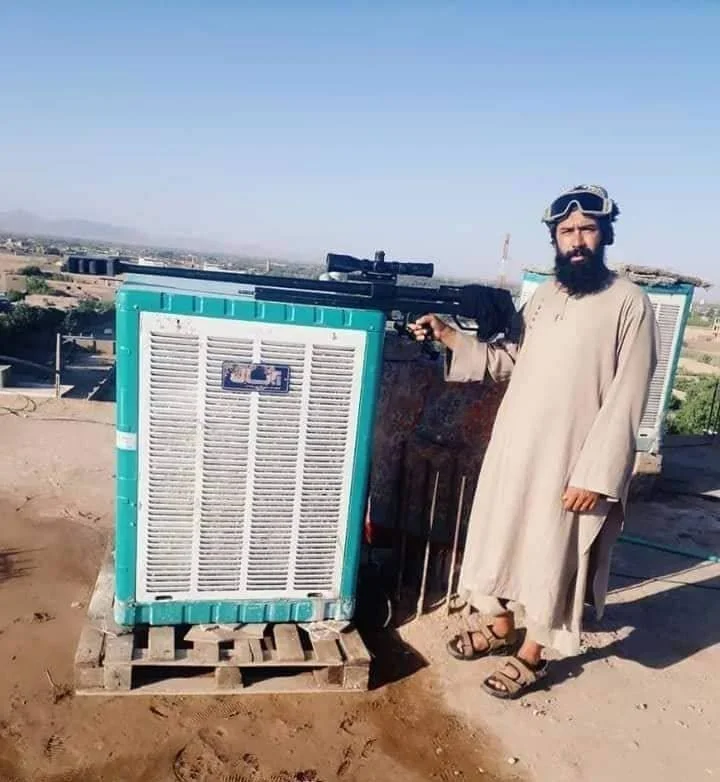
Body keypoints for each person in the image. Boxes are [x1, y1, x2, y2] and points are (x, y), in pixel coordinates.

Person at [408, 185, 659, 699]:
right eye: (567, 231)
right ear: (555, 239)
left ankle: (533, 654)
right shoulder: (545, 296)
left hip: (572, 460)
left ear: (605, 233)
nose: (577, 240)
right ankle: (501, 626)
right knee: (498, 541)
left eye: (587, 229)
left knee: (552, 555)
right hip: (515, 449)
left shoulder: (630, 304)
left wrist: (596, 475)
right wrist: (451, 336)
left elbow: (629, 397)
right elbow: (512, 363)